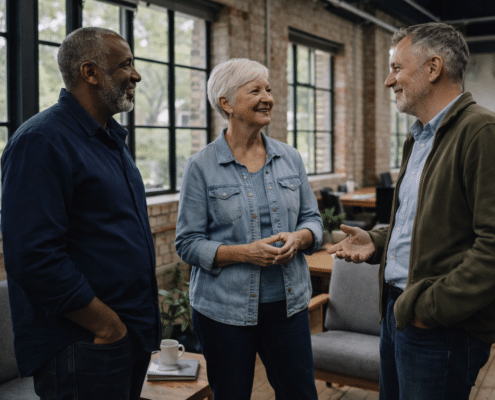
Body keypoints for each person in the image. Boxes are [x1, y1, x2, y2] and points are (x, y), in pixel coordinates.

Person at [328, 22, 495, 399]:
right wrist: (375, 239)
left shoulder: (481, 131)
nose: (389, 81)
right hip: (397, 310)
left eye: (397, 68)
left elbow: (493, 246)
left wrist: (427, 309)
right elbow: (427, 222)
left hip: (440, 326)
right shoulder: (420, 136)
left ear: (433, 69)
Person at [1, 27, 160, 400]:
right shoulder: (40, 141)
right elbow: (32, 257)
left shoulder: (108, 139)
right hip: (83, 345)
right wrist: (107, 327)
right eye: (126, 65)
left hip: (124, 337)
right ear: (90, 72)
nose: (136, 75)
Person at [175, 58, 323, 400]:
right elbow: (187, 244)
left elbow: (313, 221)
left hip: (289, 307)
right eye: (255, 90)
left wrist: (299, 238)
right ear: (226, 103)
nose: (267, 97)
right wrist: (246, 253)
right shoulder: (201, 167)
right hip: (223, 311)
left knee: (301, 394)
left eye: (268, 89)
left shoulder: (290, 158)